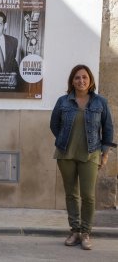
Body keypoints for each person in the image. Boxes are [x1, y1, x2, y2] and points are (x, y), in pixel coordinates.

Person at [50, 65, 115, 250]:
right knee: (71, 194)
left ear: (90, 80)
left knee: (88, 195)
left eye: (84, 77)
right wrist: (64, 139)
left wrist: (105, 153)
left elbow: (108, 129)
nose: (81, 81)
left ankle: (86, 233)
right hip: (65, 154)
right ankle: (75, 231)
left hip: (91, 153)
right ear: (72, 81)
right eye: (77, 78)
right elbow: (54, 125)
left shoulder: (100, 102)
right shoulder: (63, 101)